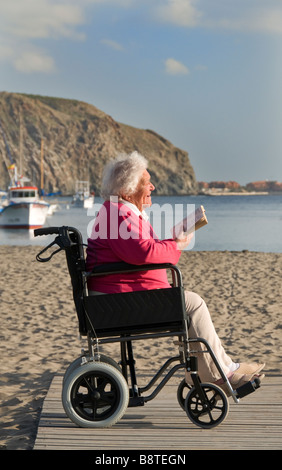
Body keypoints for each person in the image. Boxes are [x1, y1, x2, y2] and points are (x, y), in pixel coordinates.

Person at [86, 151, 265, 395]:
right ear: (128, 191)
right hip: (118, 302)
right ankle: (217, 374)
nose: (152, 186)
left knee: (190, 301)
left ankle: (223, 367)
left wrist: (172, 240)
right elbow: (144, 254)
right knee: (193, 303)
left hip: (119, 295)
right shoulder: (119, 214)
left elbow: (142, 252)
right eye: (145, 181)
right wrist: (177, 244)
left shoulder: (119, 211)